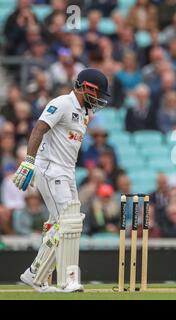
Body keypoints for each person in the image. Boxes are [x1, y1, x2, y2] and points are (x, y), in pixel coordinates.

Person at [12, 68, 110, 293]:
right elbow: (39, 129)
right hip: (50, 170)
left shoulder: (85, 113)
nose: (99, 99)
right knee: (67, 223)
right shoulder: (63, 103)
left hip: (67, 173)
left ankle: (36, 274)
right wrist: (29, 161)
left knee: (67, 224)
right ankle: (66, 280)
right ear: (86, 87)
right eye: (97, 94)